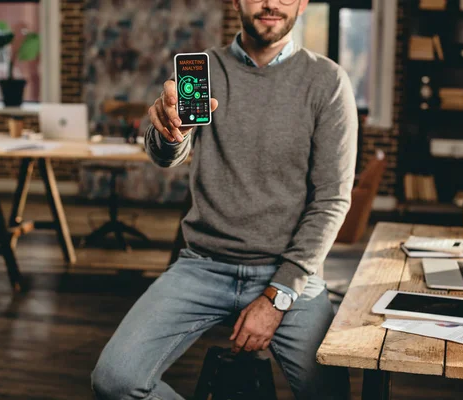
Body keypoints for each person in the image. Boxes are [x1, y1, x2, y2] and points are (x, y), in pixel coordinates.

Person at [91, 0, 358, 398]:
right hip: (202, 266)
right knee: (114, 380)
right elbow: (168, 156)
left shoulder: (327, 80)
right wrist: (169, 133)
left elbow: (332, 199)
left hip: (288, 272)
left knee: (332, 395)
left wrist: (277, 297)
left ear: (302, 2)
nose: (270, 4)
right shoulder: (203, 71)